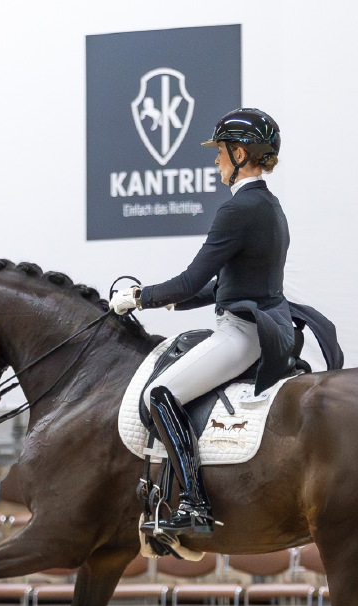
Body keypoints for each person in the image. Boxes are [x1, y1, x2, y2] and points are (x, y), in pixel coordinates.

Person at [108, 108, 289, 535]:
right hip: (257, 327)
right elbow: (228, 285)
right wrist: (175, 304)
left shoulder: (238, 209)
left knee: (160, 392)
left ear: (241, 153)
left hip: (241, 334)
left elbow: (192, 278)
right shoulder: (269, 206)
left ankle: (193, 502)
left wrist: (138, 298)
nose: (216, 161)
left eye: (221, 153)